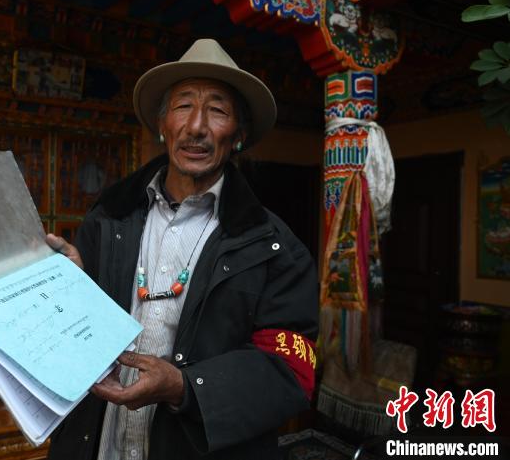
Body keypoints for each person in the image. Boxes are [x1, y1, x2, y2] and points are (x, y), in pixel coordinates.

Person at [45, 39, 318, 460]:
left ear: (239, 135)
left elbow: (291, 371)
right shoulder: (110, 218)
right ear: (162, 126)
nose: (196, 126)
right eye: (183, 106)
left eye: (218, 110)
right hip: (99, 443)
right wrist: (73, 286)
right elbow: (82, 334)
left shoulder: (275, 248)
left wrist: (185, 387)